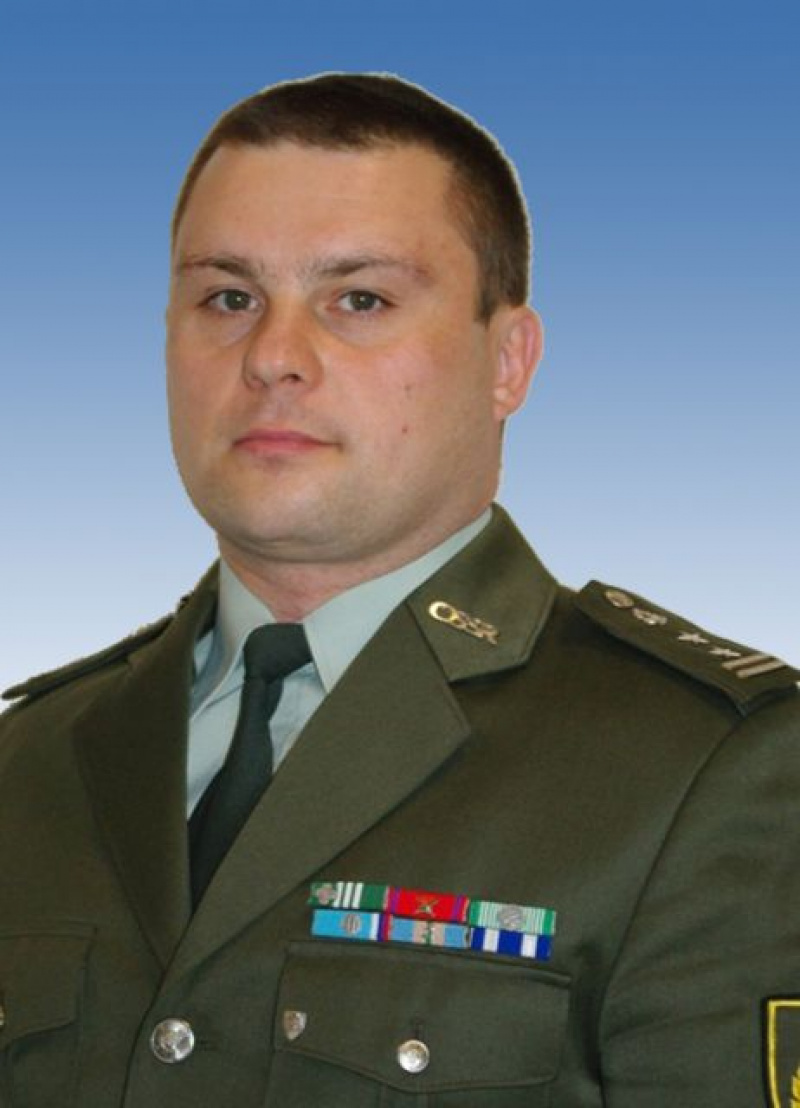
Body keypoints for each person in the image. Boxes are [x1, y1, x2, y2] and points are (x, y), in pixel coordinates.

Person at [0, 72, 797, 1108]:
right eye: (228, 298)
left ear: (507, 361)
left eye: (360, 299)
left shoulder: (711, 769)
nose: (272, 357)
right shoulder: (32, 759)